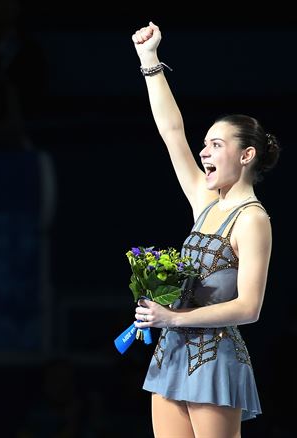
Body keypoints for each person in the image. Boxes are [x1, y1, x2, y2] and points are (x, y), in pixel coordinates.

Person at [131, 22, 281, 437]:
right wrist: (150, 62)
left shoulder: (252, 219)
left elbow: (249, 308)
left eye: (217, 145)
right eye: (206, 143)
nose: (204, 151)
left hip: (214, 359)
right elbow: (172, 132)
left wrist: (174, 319)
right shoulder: (205, 198)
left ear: (246, 154)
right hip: (171, 354)